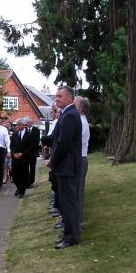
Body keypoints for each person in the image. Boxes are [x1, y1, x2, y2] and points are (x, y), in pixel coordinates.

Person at [46, 86, 82, 249]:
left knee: (69, 203)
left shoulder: (70, 115)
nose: (57, 99)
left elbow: (63, 143)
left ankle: (71, 237)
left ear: (69, 98)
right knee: (66, 202)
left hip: (67, 166)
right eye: (56, 96)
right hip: (65, 166)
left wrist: (53, 161)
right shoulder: (67, 114)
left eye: (60, 96)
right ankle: (69, 234)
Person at [74, 96, 91, 229]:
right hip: (79, 157)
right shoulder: (80, 121)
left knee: (78, 191)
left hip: (80, 158)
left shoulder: (81, 122)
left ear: (80, 108)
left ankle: (77, 222)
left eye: (74, 104)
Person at [10, 118, 35, 198]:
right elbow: (12, 146)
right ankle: (18, 187)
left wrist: (22, 154)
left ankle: (22, 191)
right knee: (15, 174)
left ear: (24, 125)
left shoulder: (29, 135)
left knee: (23, 175)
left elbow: (30, 147)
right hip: (15, 158)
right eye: (17, 124)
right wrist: (13, 153)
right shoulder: (15, 134)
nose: (17, 126)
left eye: (19, 124)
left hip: (24, 158)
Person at [25, 118, 41, 188]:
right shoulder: (25, 130)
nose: (28, 124)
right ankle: (26, 182)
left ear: (32, 123)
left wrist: (30, 148)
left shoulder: (36, 130)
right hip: (26, 153)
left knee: (32, 167)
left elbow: (37, 142)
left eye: (29, 122)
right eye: (27, 122)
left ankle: (32, 182)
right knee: (25, 168)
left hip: (33, 152)